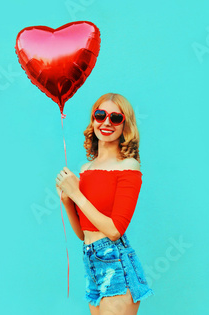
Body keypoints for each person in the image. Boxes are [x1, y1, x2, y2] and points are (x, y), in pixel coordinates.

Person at [55, 93, 154, 314]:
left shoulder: (129, 166)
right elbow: (84, 233)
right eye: (100, 115)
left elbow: (114, 230)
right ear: (93, 120)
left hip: (116, 263)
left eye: (115, 118)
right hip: (91, 260)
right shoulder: (85, 169)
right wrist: (67, 201)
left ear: (125, 126)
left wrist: (77, 194)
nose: (106, 122)